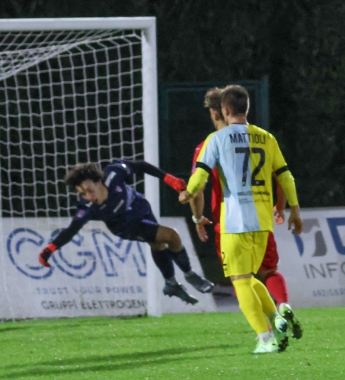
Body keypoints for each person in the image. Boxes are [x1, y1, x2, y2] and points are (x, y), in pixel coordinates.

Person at [179, 84, 303, 354]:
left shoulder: (217, 139)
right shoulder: (266, 137)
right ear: (247, 108)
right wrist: (294, 210)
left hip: (234, 221)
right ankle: (276, 318)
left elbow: (200, 176)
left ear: (224, 110)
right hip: (263, 223)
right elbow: (286, 176)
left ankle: (265, 338)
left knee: (240, 280)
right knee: (253, 278)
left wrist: (188, 192)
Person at [38, 159, 214, 305]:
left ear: (98, 181)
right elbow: (71, 230)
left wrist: (169, 179)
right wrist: (50, 249)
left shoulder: (114, 173)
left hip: (142, 208)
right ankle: (189, 275)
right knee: (172, 236)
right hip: (127, 226)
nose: (89, 197)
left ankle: (171, 284)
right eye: (83, 194)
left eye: (90, 190)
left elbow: (141, 166)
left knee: (158, 244)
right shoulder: (88, 208)